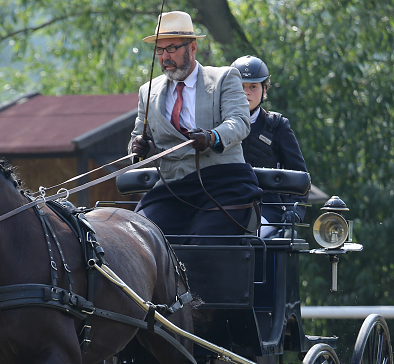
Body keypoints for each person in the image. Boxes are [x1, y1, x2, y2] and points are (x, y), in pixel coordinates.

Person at [129, 11, 261, 239]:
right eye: (159, 50)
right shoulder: (147, 91)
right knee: (140, 237)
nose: (164, 57)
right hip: (172, 187)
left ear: (192, 48)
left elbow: (239, 122)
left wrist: (212, 137)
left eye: (172, 48)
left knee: (206, 241)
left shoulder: (224, 78)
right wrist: (139, 147)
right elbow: (139, 137)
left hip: (223, 182)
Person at [230, 55, 308, 237]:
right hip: (224, 203)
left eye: (253, 87)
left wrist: (295, 211)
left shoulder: (278, 126)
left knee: (245, 237)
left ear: (264, 90)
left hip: (266, 209)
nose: (246, 93)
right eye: (240, 87)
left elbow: (299, 175)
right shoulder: (216, 124)